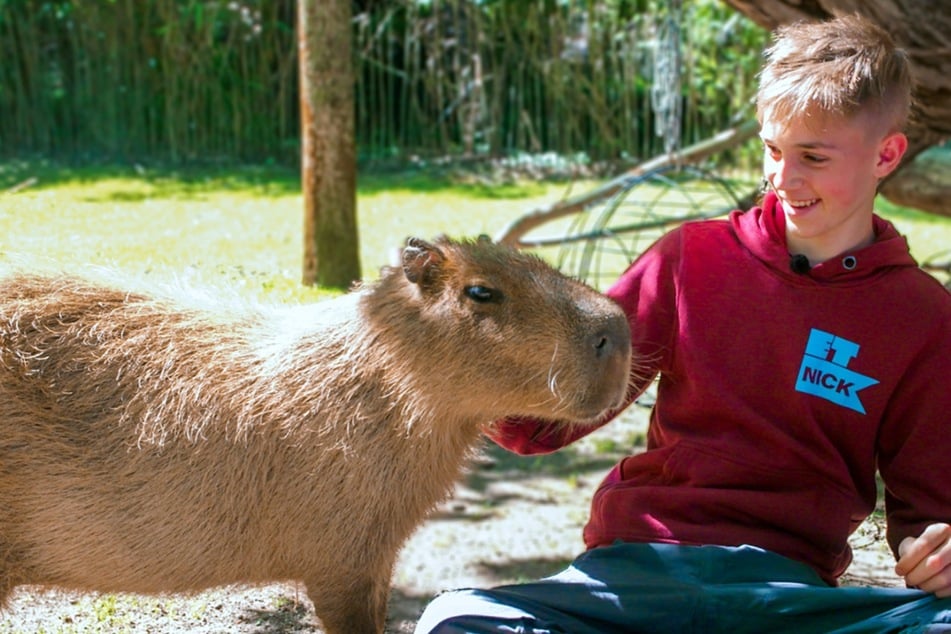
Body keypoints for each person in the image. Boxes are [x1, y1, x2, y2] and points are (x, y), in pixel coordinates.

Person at [415, 13, 951, 634]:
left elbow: (931, 520)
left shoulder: (922, 319)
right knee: (454, 619)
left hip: (785, 598)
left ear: (887, 154)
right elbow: (539, 423)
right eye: (772, 149)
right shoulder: (690, 258)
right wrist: (453, 361)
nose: (783, 178)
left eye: (812, 156)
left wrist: (939, 554)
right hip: (632, 574)